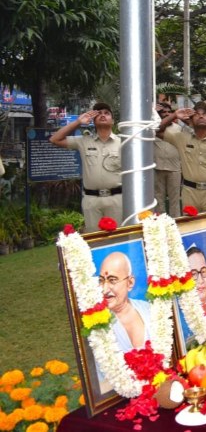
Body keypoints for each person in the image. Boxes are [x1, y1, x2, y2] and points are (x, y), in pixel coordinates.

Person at [49, 103, 122, 232]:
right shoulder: (84, 141)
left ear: (113, 121)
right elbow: (55, 139)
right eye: (98, 113)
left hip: (116, 199)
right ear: (93, 121)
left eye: (106, 113)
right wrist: (78, 122)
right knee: (94, 241)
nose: (103, 115)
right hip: (91, 201)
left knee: (118, 239)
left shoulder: (123, 142)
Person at [156, 102, 206, 212]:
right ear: (191, 121)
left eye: (205, 114)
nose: (201, 116)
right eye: (197, 114)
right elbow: (156, 131)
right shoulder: (181, 138)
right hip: (189, 193)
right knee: (191, 226)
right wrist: (174, 115)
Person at [99, 252, 151, 352]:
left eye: (112, 280)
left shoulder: (149, 311)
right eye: (101, 281)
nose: (104, 289)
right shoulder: (97, 324)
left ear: (130, 283)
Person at [154, 102, 182, 217]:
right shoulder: (152, 128)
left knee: (174, 200)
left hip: (175, 169)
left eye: (168, 112)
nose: (166, 114)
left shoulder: (179, 129)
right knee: (158, 199)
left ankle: (176, 226)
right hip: (157, 168)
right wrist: (153, 111)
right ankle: (161, 227)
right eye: (163, 112)